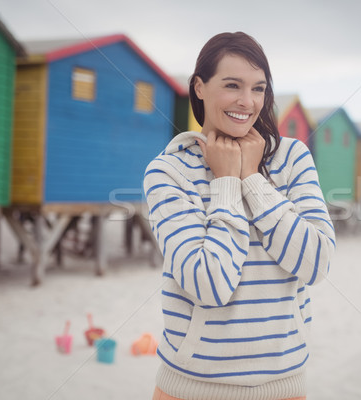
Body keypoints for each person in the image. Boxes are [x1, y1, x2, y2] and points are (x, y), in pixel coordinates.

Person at [143, 31, 335, 400]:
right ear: (199, 87)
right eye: (232, 85)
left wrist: (251, 179)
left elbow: (317, 264)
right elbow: (209, 285)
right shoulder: (168, 172)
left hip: (283, 387)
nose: (247, 102)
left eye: (259, 88)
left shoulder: (292, 158)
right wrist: (227, 182)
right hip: (190, 389)